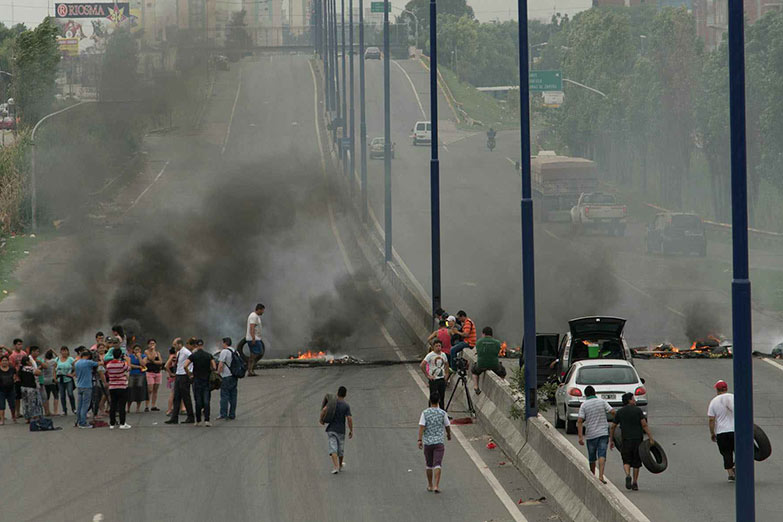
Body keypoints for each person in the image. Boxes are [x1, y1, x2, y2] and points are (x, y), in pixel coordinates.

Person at [610, 393, 654, 490]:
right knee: (636, 462)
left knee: (626, 460)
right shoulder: (638, 411)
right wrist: (651, 437)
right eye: (633, 399)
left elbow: (613, 426)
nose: (635, 400)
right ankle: (635, 482)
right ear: (629, 400)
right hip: (638, 439)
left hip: (625, 439)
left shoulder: (620, 412)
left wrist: (611, 440)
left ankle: (627, 475)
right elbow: (644, 425)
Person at [577, 385, 615, 484]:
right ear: (594, 393)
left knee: (592, 457)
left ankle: (592, 476)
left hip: (591, 434)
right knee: (602, 454)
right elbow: (613, 411)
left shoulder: (584, 405)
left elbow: (580, 421)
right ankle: (601, 476)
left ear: (585, 395)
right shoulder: (602, 402)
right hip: (603, 433)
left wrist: (580, 436)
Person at [418, 392, 452, 493]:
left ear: (430, 401)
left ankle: (430, 485)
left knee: (429, 464)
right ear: (439, 401)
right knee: (437, 464)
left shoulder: (425, 413)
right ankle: (437, 485)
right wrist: (448, 435)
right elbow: (447, 426)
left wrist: (420, 440)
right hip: (439, 442)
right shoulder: (443, 413)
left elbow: (421, 427)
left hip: (428, 443)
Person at [320, 386, 353, 474]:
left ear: (337, 393)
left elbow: (324, 410)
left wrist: (321, 420)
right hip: (341, 431)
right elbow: (349, 418)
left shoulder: (332, 403)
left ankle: (336, 467)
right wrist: (351, 430)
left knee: (333, 448)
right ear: (345, 394)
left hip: (331, 429)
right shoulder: (346, 406)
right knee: (340, 449)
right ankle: (340, 465)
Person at [708, 379, 736, 481]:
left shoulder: (714, 401)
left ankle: (731, 474)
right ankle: (737, 467)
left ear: (717, 389)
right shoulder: (734, 397)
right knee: (739, 450)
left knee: (726, 452)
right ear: (726, 388)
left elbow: (711, 419)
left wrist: (712, 433)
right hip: (736, 430)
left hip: (722, 432)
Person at [165, 337, 195, 424]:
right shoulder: (179, 352)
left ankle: (190, 416)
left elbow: (192, 361)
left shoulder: (186, 352)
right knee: (176, 397)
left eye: (175, 344)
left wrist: (190, 372)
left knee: (186, 397)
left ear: (179, 344)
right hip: (178, 375)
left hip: (184, 376)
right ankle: (174, 418)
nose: (173, 346)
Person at [187, 339, 216, 426]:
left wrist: (190, 374)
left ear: (196, 345)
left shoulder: (193, 356)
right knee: (207, 401)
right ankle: (207, 420)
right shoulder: (208, 355)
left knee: (198, 401)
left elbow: (185, 365)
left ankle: (198, 420)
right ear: (202, 345)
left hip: (197, 380)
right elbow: (214, 367)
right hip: (206, 381)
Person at [471, 327, 507, 395]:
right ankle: (501, 384)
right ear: (491, 334)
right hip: (494, 365)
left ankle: (476, 386)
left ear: (483, 333)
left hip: (481, 365)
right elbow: (497, 353)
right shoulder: (497, 342)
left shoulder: (479, 341)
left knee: (474, 371)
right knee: (503, 372)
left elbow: (478, 351)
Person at [74, 349, 101, 428]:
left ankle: (79, 421)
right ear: (88, 356)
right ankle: (83, 423)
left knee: (79, 405)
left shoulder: (77, 363)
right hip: (87, 386)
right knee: (85, 405)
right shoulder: (88, 362)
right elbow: (100, 363)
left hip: (79, 386)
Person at [105, 348, 131, 429]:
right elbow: (128, 368)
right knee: (122, 406)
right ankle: (122, 423)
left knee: (113, 405)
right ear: (120, 355)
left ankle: (112, 423)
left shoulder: (108, 365)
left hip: (112, 386)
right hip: (122, 386)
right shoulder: (122, 364)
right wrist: (128, 360)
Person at [420, 340, 449, 410]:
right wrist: (428, 375)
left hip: (441, 378)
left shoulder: (443, 355)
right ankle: (431, 411)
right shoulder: (430, 355)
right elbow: (422, 365)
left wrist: (446, 374)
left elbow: (446, 364)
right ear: (433, 347)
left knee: (442, 397)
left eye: (439, 346)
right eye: (436, 346)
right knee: (433, 397)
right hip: (434, 379)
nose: (438, 348)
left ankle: (442, 412)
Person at [217, 337, 238, 420]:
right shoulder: (235, 351)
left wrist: (218, 373)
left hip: (226, 376)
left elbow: (221, 364)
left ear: (225, 343)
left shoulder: (224, 352)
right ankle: (232, 414)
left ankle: (223, 414)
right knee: (233, 396)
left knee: (224, 395)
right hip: (234, 376)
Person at [18, 356, 43, 423]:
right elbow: (39, 372)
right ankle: (34, 416)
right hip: (31, 388)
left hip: (23, 388)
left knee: (25, 403)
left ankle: (27, 417)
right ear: (27, 362)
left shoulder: (21, 368)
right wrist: (35, 366)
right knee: (33, 402)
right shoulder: (30, 368)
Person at [126, 344, 148, 413]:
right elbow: (129, 365)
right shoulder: (130, 356)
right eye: (136, 349)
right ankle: (128, 408)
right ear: (133, 350)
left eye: (138, 349)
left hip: (141, 375)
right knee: (130, 391)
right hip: (132, 375)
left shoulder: (144, 356)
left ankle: (138, 408)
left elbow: (143, 364)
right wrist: (138, 367)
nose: (137, 351)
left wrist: (139, 357)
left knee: (139, 391)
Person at [245, 303, 266, 376]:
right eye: (262, 310)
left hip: (256, 338)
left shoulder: (256, 316)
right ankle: (250, 369)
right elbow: (252, 327)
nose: (263, 312)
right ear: (259, 309)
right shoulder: (253, 316)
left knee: (253, 354)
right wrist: (253, 337)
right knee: (258, 353)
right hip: (254, 339)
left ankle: (250, 370)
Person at [56, 346, 76, 416]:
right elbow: (54, 368)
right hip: (60, 379)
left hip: (68, 379)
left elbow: (76, 367)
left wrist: (73, 374)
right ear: (60, 352)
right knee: (62, 395)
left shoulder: (70, 359)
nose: (64, 352)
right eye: (63, 351)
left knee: (70, 394)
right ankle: (64, 410)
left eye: (65, 351)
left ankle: (74, 408)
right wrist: (54, 377)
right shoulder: (57, 359)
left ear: (68, 351)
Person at [144, 339, 163, 411]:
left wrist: (154, 361)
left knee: (155, 390)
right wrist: (152, 353)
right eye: (151, 343)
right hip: (149, 372)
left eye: (153, 343)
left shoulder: (157, 353)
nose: (152, 345)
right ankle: (147, 405)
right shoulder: (146, 352)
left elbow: (160, 362)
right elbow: (150, 358)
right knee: (150, 389)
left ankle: (153, 405)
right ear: (148, 345)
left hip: (157, 372)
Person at [39, 349, 59, 416]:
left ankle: (47, 411)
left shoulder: (44, 362)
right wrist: (53, 351)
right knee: (55, 395)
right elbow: (58, 357)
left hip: (45, 380)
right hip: (52, 380)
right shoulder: (53, 361)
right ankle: (55, 411)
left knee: (47, 396)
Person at [0, 354, 17, 424]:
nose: (4, 362)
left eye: (6, 360)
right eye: (3, 361)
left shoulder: (12, 369)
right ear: (0, 362)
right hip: (1, 390)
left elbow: (15, 376)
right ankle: (2, 420)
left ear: (8, 361)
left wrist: (15, 379)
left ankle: (13, 417)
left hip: (11, 390)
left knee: (12, 405)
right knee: (1, 406)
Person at [9, 338, 24, 415]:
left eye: (21, 344)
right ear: (15, 345)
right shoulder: (12, 355)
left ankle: (25, 411)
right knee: (17, 397)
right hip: (17, 378)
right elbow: (11, 367)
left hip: (24, 377)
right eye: (18, 344)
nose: (20, 346)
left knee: (25, 395)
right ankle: (17, 412)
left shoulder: (24, 353)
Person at [164, 345, 178, 415]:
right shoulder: (173, 357)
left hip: (172, 377)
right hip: (174, 377)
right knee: (173, 393)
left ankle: (174, 408)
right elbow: (166, 366)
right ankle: (169, 409)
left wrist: (169, 374)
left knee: (175, 393)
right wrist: (171, 373)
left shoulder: (172, 356)